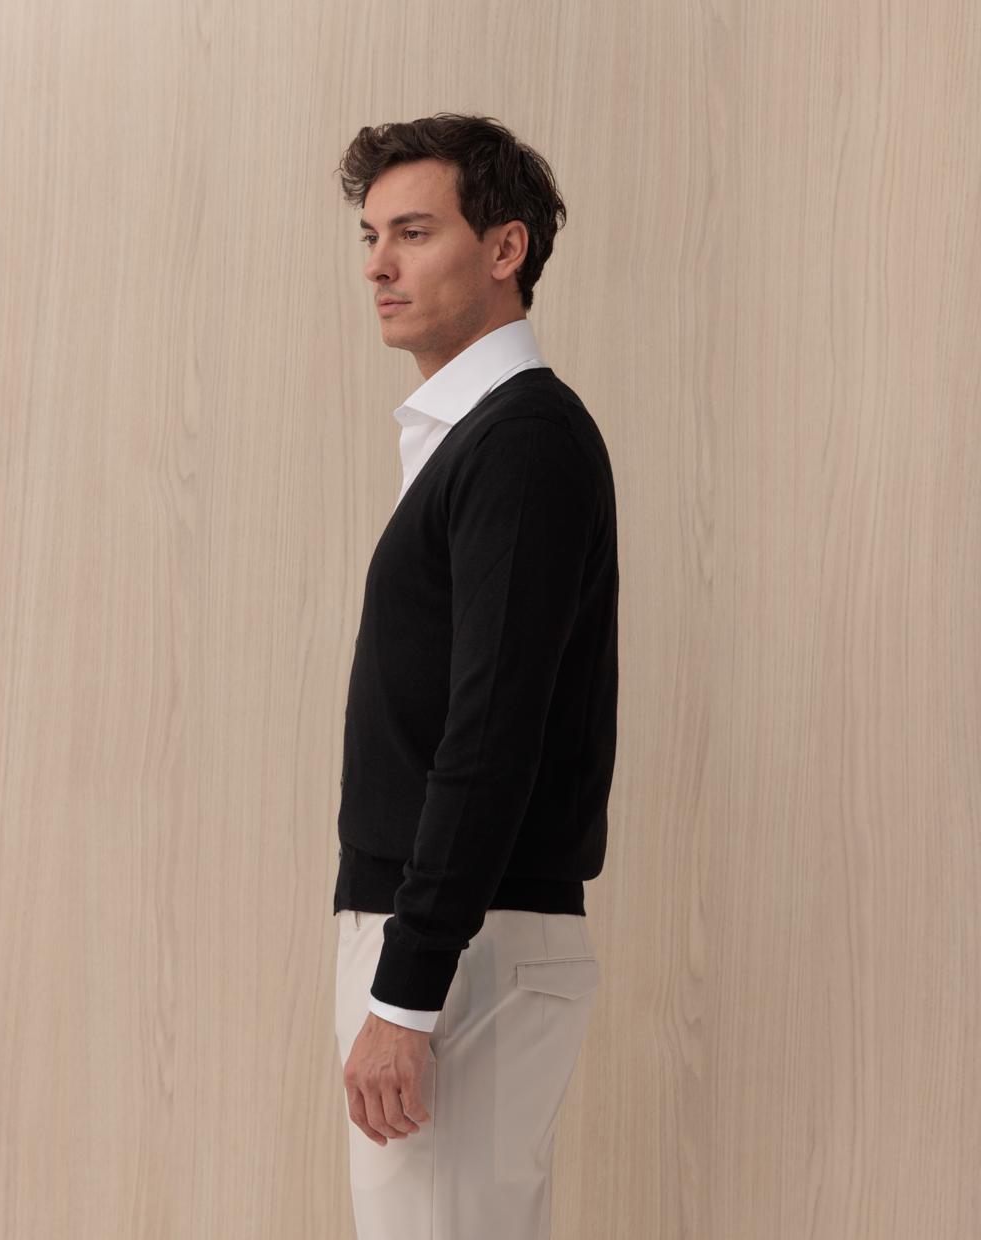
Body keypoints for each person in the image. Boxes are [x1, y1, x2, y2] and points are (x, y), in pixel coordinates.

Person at [331, 112, 619, 1240]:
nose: (378, 265)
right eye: (370, 236)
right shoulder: (473, 439)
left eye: (413, 232)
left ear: (505, 249)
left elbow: (493, 728)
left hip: (464, 943)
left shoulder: (521, 442)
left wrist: (407, 991)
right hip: (452, 932)